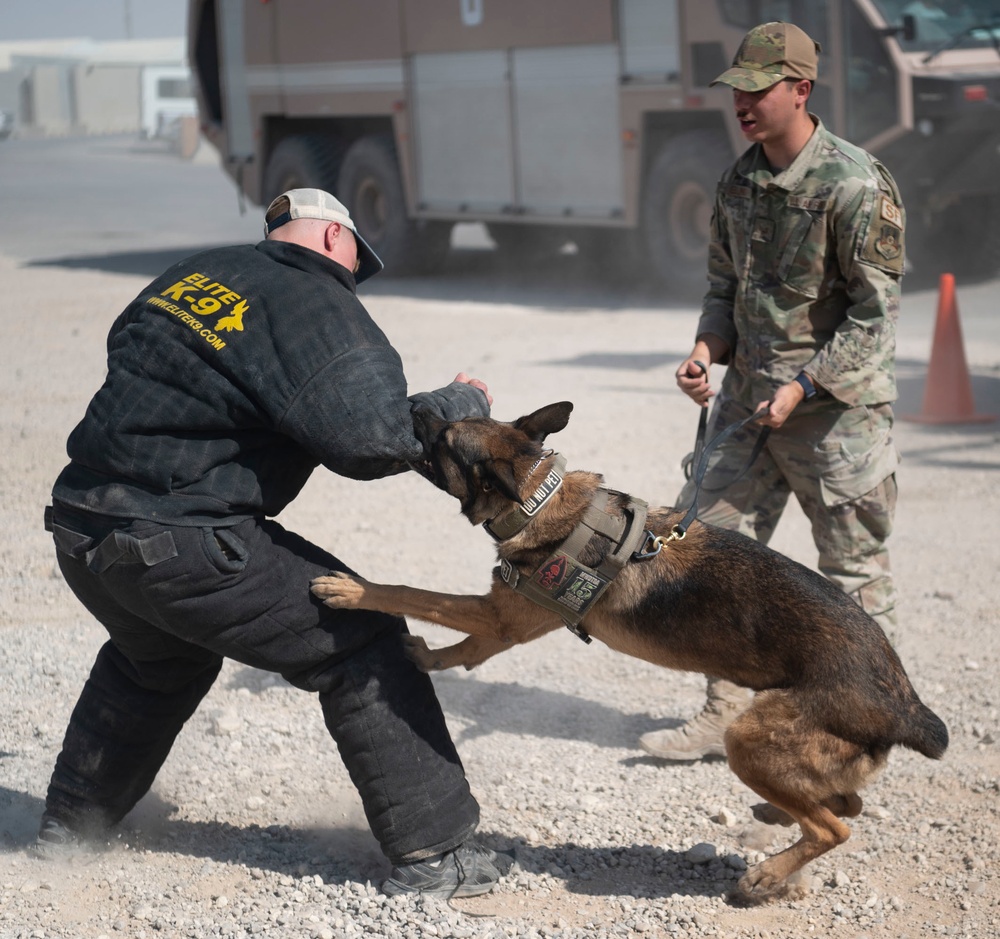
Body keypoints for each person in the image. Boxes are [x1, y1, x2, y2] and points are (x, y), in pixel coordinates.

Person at [33, 188, 512, 899]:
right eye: (356, 258)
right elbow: (369, 438)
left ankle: (70, 832)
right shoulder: (315, 301)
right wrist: (459, 407)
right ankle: (436, 855)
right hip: (178, 541)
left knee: (158, 659)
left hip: (84, 530)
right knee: (363, 636)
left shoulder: (192, 275)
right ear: (331, 241)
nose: (356, 277)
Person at [640, 22, 905, 761]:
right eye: (739, 90)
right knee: (711, 558)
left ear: (801, 90)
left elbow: (874, 316)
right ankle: (722, 712)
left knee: (852, 582)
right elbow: (723, 288)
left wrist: (805, 384)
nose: (745, 104)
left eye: (760, 89)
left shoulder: (856, 184)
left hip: (833, 420)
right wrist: (705, 350)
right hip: (749, 408)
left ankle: (858, 739)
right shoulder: (738, 180)